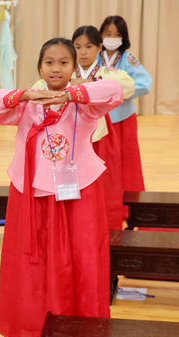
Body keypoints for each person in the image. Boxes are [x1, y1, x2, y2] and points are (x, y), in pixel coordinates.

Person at [0, 38, 124, 337]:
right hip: (33, 196)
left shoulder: (84, 101)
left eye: (63, 63)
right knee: (36, 266)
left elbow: (115, 91)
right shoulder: (27, 104)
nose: (55, 68)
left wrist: (72, 92)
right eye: (48, 62)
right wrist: (27, 94)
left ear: (74, 68)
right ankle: (39, 335)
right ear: (39, 67)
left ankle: (78, 336)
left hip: (78, 196)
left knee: (80, 262)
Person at [31, 25, 135, 230]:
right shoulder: (59, 74)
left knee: (97, 184)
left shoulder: (107, 72)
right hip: (63, 143)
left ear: (99, 48)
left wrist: (88, 82)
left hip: (97, 138)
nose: (83, 52)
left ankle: (100, 223)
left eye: (88, 46)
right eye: (77, 47)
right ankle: (61, 224)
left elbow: (126, 87)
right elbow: (35, 91)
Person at [98, 15, 152, 194]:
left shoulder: (128, 59)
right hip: (99, 119)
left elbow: (145, 84)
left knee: (127, 160)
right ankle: (103, 201)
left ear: (123, 37)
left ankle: (127, 203)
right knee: (101, 160)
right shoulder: (94, 58)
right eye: (108, 34)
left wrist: (119, 92)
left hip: (123, 118)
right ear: (101, 36)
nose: (111, 38)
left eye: (117, 34)